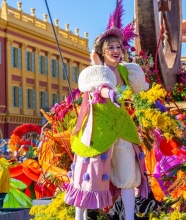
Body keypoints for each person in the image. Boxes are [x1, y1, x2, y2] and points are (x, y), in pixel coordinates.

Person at [64, 27, 149, 220]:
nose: (116, 50)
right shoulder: (96, 72)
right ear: (102, 51)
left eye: (118, 46)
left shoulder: (127, 71)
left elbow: (143, 91)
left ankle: (129, 217)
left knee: (128, 175)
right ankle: (80, 218)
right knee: (88, 177)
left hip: (122, 129)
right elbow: (99, 88)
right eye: (110, 47)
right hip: (98, 132)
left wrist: (155, 101)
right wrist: (109, 93)